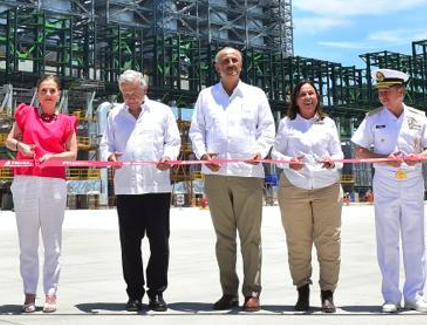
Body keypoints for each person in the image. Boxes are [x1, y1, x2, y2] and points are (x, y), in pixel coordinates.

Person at [351, 69, 427, 314]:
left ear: (401, 92)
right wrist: (383, 159)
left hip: (412, 181)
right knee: (387, 241)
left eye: (387, 91)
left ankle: (415, 295)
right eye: (380, 92)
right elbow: (359, 151)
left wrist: (419, 157)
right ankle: (391, 296)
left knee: (415, 239)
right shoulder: (373, 119)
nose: (382, 95)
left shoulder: (418, 118)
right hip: (385, 182)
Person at [189, 46, 276, 311]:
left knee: (251, 237)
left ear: (241, 65)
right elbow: (196, 130)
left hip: (247, 174)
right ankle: (229, 292)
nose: (230, 64)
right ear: (217, 67)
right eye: (224, 61)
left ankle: (252, 291)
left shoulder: (255, 95)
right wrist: (203, 154)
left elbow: (268, 129)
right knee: (223, 237)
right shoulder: (206, 96)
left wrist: (260, 152)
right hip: (216, 175)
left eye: (234, 60)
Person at [100, 70, 181, 312]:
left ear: (144, 89)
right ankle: (134, 294)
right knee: (130, 245)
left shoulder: (162, 112)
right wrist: (109, 156)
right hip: (126, 189)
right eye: (126, 94)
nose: (130, 98)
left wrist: (169, 157)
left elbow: (173, 141)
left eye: (134, 92)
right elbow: (106, 144)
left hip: (156, 186)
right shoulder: (115, 115)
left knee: (159, 243)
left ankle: (156, 292)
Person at [5, 74, 78, 313]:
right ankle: (29, 293)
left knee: (52, 242)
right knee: (27, 242)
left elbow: (73, 154)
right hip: (25, 180)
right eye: (44, 90)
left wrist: (54, 156)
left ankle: (51, 292)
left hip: (53, 183)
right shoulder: (25, 114)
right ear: (37, 92)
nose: (48, 94)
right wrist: (21, 146)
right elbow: (8, 140)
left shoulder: (67, 121)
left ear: (59, 94)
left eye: (52, 90)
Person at [270, 80, 342, 313]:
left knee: (329, 241)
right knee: (298, 242)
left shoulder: (328, 123)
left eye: (311, 93)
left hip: (326, 186)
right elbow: (276, 153)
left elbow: (338, 152)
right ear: (295, 99)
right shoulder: (287, 123)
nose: (308, 97)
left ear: (317, 97)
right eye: (303, 94)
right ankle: (302, 291)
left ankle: (328, 293)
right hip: (294, 186)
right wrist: (289, 163)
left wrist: (334, 161)